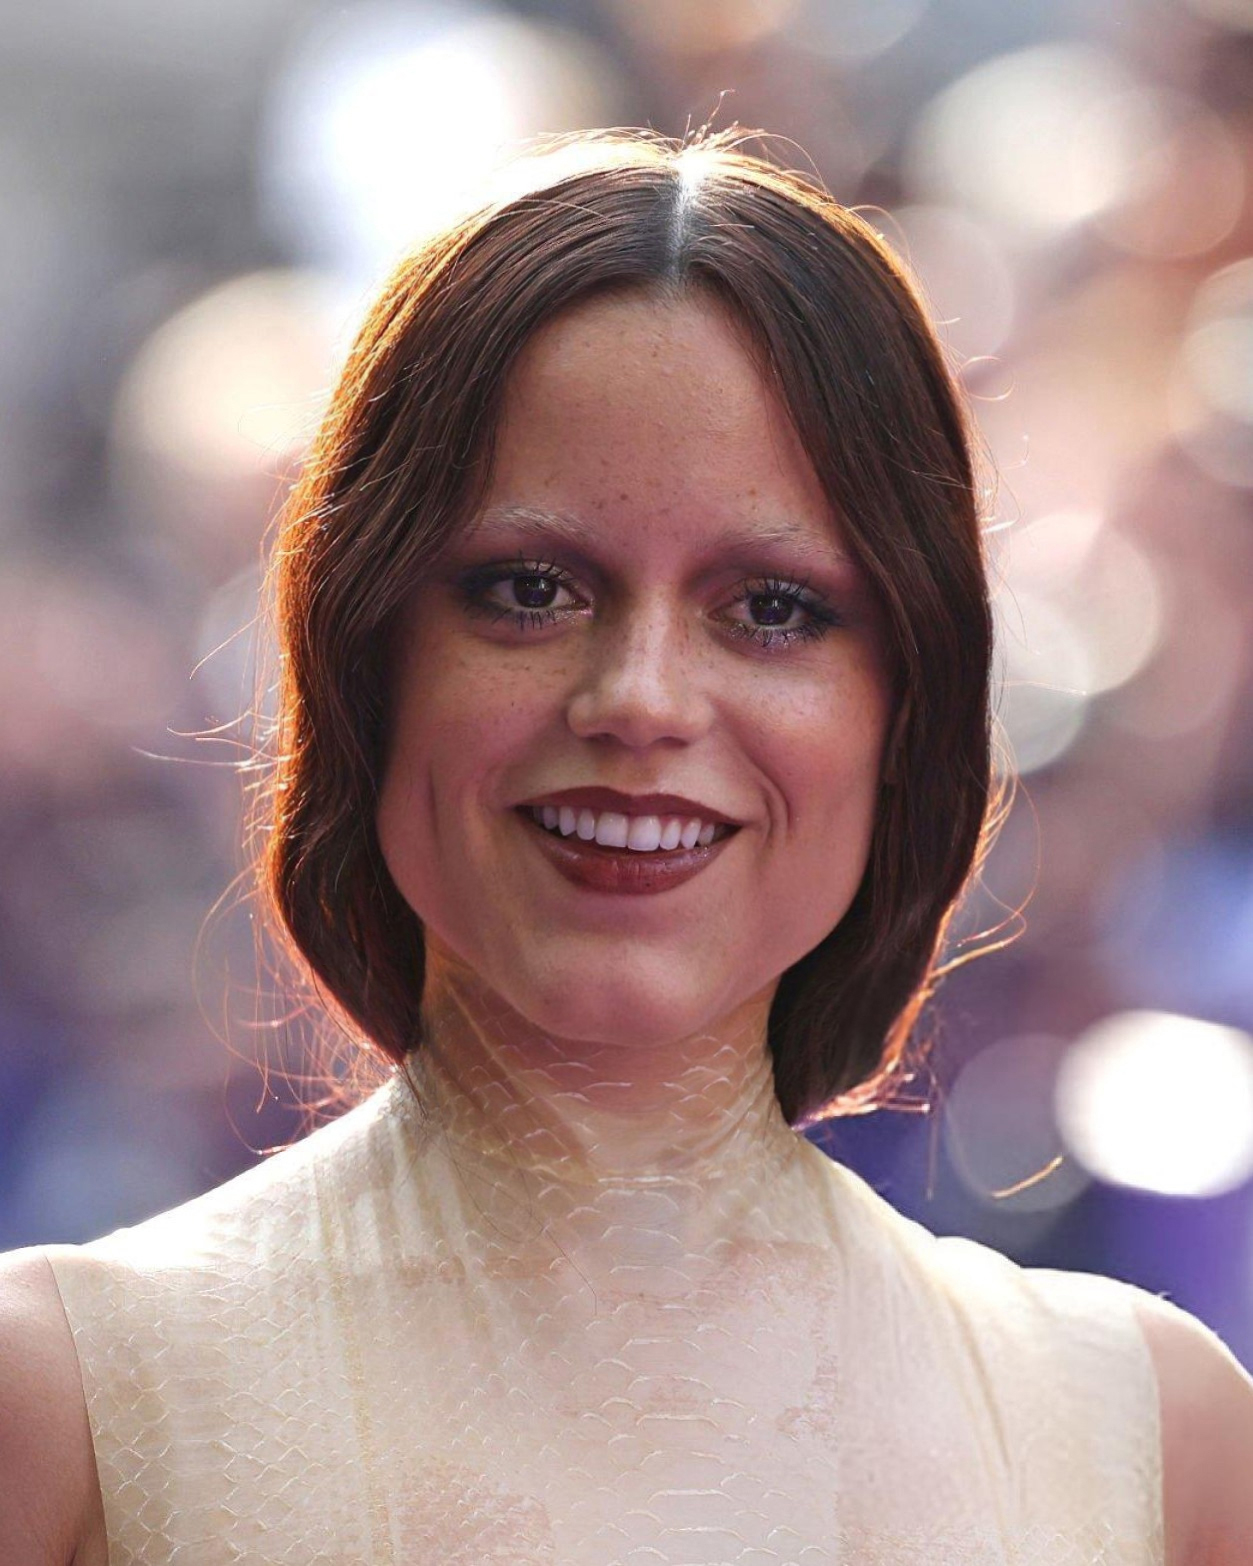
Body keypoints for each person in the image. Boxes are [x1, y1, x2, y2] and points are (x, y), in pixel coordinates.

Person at [2, 128, 1251, 1566]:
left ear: (908, 705)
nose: (641, 697)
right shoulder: (69, 1407)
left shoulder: (1147, 1438)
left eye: (770, 608)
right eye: (531, 590)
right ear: (361, 656)